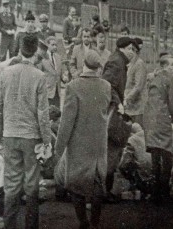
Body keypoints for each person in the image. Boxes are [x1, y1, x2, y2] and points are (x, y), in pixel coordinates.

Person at [0, 35, 51, 229]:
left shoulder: (5, 73)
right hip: (31, 136)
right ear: (35, 50)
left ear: (19, 48)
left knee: (11, 183)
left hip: (10, 134)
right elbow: (43, 113)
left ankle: (10, 225)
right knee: (31, 183)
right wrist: (46, 140)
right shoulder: (39, 76)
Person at [55, 50, 111, 229]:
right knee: (97, 182)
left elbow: (67, 122)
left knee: (76, 183)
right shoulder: (106, 86)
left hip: (79, 143)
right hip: (98, 142)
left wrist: (59, 147)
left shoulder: (73, 86)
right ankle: (95, 222)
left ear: (84, 65)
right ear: (97, 67)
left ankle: (83, 223)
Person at [102, 37, 135, 201]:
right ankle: (104, 192)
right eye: (131, 49)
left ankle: (104, 190)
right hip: (112, 111)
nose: (132, 53)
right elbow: (107, 84)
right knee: (111, 149)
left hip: (113, 109)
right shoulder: (117, 62)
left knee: (112, 149)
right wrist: (118, 103)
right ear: (123, 48)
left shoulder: (118, 61)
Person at [143, 54, 173, 204]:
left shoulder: (153, 77)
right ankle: (164, 191)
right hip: (163, 119)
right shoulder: (169, 77)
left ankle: (155, 192)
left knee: (155, 155)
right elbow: (172, 101)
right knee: (168, 154)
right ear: (166, 65)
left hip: (150, 119)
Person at [124, 38, 147, 127]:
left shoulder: (139, 64)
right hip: (129, 106)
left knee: (137, 132)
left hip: (137, 107)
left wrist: (127, 99)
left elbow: (138, 87)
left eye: (131, 49)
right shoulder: (129, 63)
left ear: (135, 51)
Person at [41, 36, 62, 107]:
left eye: (56, 45)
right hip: (47, 91)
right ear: (47, 45)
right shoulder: (43, 58)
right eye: (52, 45)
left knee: (57, 113)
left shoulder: (58, 57)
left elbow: (59, 73)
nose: (55, 47)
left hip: (57, 92)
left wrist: (63, 78)